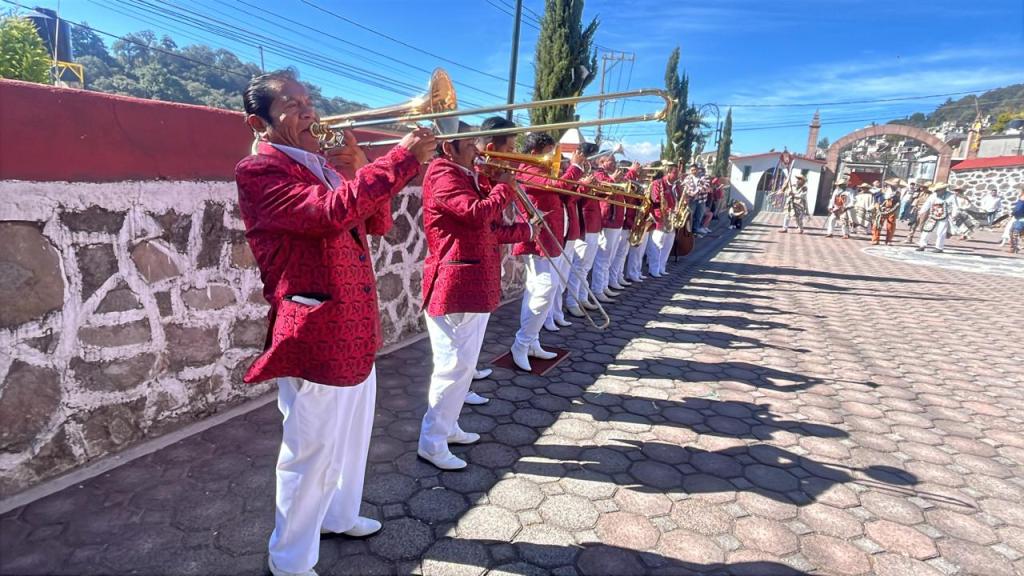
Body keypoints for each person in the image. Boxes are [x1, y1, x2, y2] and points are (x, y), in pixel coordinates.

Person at [235, 70, 435, 576]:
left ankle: (339, 516)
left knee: (351, 436)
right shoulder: (259, 171)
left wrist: (359, 168)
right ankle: (291, 561)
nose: (309, 112)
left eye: (309, 100)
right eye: (293, 105)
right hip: (317, 329)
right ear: (259, 122)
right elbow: (327, 215)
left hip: (354, 325)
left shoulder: (322, 164)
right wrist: (400, 158)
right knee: (310, 452)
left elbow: (375, 224)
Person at [418, 120, 536, 471]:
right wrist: (503, 187)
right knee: (453, 367)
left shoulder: (466, 175)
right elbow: (474, 214)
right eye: (470, 144)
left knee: (464, 365)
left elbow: (490, 228)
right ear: (449, 148)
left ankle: (448, 426)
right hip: (456, 285)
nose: (478, 149)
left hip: (474, 283)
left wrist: (526, 227)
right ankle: (432, 441)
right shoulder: (443, 175)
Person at [510, 132, 585, 371]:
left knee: (535, 292)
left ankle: (531, 342)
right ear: (535, 153)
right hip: (538, 240)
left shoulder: (539, 170)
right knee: (545, 289)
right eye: (549, 152)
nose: (553, 157)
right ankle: (521, 344)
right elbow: (558, 185)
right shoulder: (527, 170)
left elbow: (563, 193)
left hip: (550, 239)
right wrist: (574, 168)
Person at [566, 143, 603, 318]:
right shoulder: (571, 170)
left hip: (594, 223)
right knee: (579, 266)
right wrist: (584, 185)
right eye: (593, 157)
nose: (595, 162)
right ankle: (572, 301)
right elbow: (569, 197)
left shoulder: (589, 171)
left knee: (586, 266)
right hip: (583, 224)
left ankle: (582, 296)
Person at [590, 154, 626, 302]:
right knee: (603, 257)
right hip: (607, 219)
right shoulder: (598, 174)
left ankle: (604, 286)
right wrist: (613, 180)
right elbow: (601, 190)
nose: (615, 163)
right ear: (602, 162)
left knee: (609, 257)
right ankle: (597, 289)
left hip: (616, 219)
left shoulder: (611, 175)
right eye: (612, 161)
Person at [645, 164, 679, 277]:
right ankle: (653, 268)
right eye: (675, 173)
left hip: (671, 218)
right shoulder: (658, 183)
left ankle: (661, 267)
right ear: (668, 172)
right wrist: (669, 209)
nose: (677, 175)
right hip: (660, 217)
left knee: (668, 244)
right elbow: (655, 199)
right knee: (657, 244)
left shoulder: (675, 185)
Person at [916, 182, 958, 253]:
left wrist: (954, 214)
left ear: (943, 189)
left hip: (944, 216)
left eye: (938, 190)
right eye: (936, 190)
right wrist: (921, 212)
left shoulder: (951, 196)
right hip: (933, 215)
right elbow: (927, 204)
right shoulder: (933, 195)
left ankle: (939, 247)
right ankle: (922, 245)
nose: (936, 192)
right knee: (926, 230)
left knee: (941, 232)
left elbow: (955, 206)